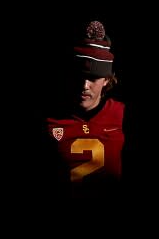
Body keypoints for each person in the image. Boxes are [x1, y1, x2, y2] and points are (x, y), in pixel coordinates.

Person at [42, 20, 126, 203]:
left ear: (106, 80)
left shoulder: (122, 116)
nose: (84, 86)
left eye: (93, 78)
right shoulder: (50, 120)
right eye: (80, 76)